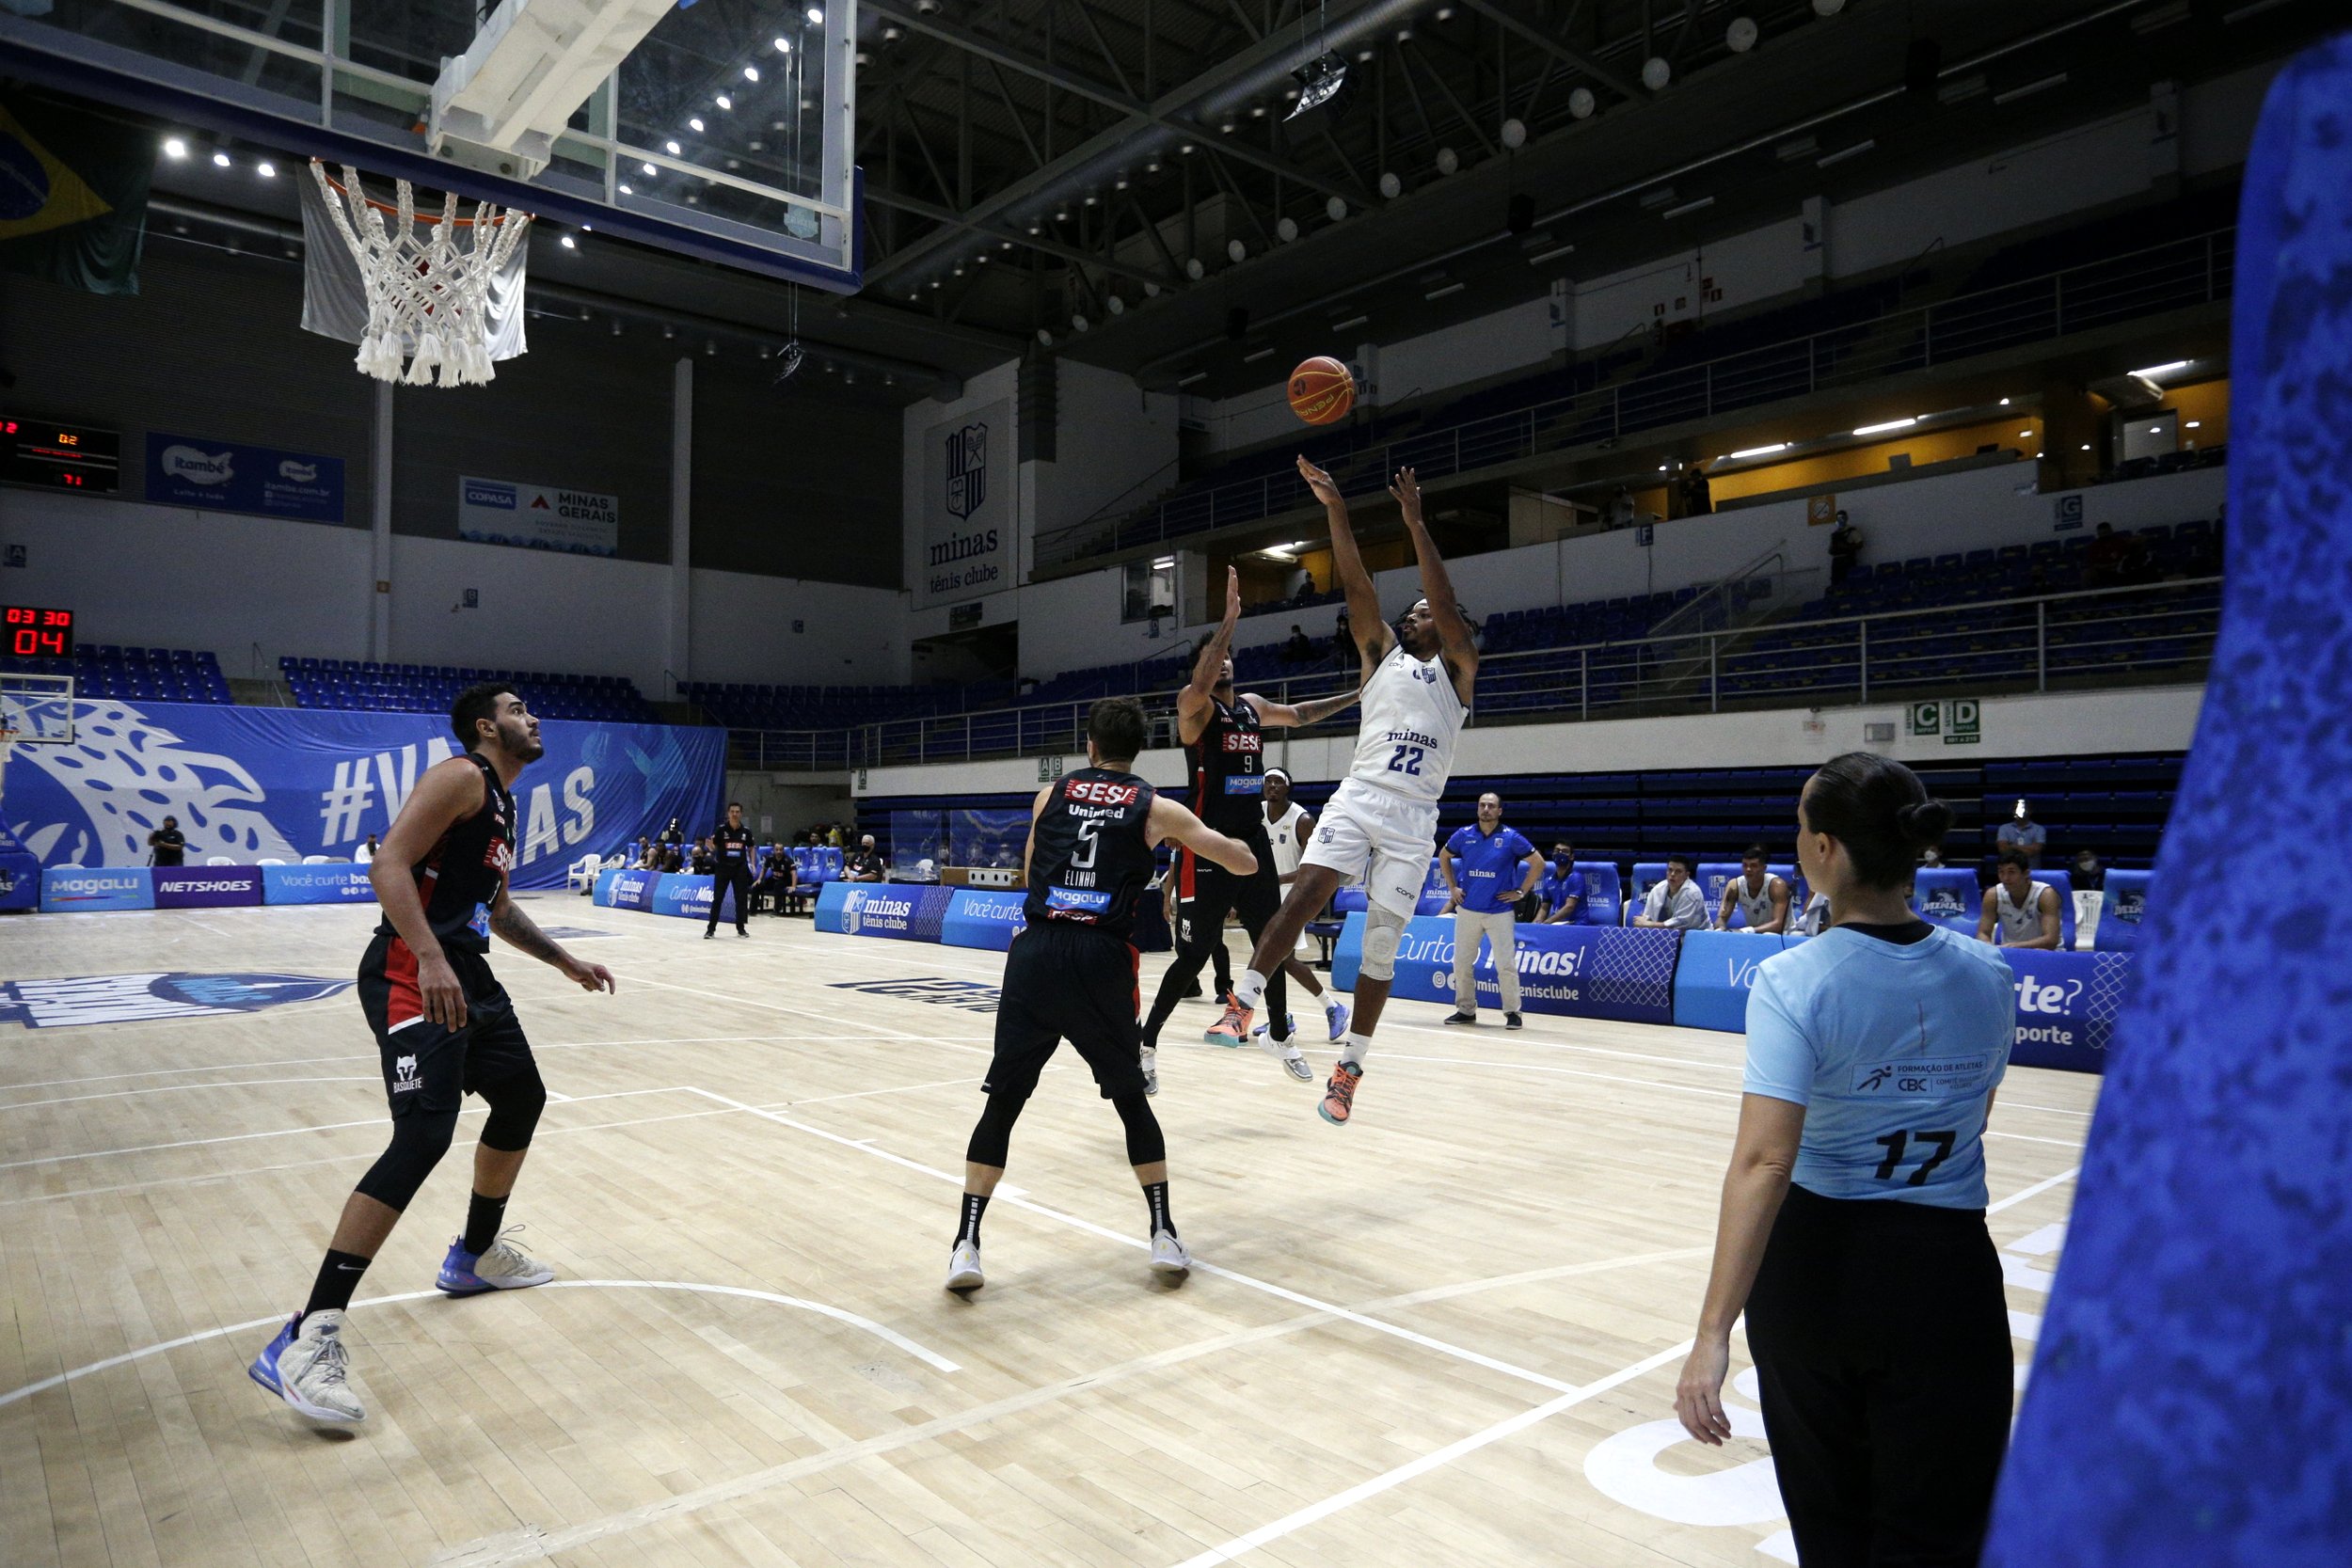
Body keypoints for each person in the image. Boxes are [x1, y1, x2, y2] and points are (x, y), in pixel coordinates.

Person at [1676, 752, 2014, 1567]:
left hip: (1817, 1274)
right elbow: (1973, 1120)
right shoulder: (1992, 972)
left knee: (1832, 1523)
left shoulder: (1794, 979)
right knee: (1940, 1528)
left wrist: (1711, 1332)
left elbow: (1764, 1162)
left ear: (1826, 849)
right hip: (1949, 1273)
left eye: (1801, 824)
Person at [247, 684, 615, 1425]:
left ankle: (474, 1255)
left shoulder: (502, 806)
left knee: (520, 1097)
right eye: (517, 710)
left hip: (464, 969)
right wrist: (428, 955)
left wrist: (564, 961)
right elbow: (389, 864)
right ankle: (305, 1334)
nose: (532, 717)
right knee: (422, 1134)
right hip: (411, 969)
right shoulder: (461, 776)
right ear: (487, 726)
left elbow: (499, 908)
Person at [946, 697, 1255, 1293]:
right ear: (1139, 749)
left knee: (1003, 1105)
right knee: (1131, 1102)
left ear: (1089, 746)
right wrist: (1235, 838)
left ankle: (967, 1245)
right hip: (1100, 959)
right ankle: (1163, 1233)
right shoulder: (1156, 808)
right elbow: (1237, 862)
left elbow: (1032, 866)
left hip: (1037, 953)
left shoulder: (1051, 794)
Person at [1216, 460, 1477, 1129]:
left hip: (1415, 817)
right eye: (1413, 611)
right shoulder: (1381, 654)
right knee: (1303, 894)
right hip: (1360, 794)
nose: (1417, 615)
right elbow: (1356, 580)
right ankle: (1243, 1001)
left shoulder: (1458, 670)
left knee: (1383, 944)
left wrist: (1415, 521)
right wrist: (1335, 506)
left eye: (1425, 613)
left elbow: (1445, 605)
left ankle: (1349, 1068)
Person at [1144, 566, 1362, 1092]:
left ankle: (1282, 1032)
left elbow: (1303, 713)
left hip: (1254, 842)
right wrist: (1229, 621)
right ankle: (1145, 1043)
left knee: (1277, 938)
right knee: (1194, 955)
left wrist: (1356, 696)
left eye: (1227, 655)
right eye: (1216, 656)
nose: (1225, 661)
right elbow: (1199, 680)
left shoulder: (1252, 708)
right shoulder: (1194, 709)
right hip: (1208, 846)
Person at [1251, 768, 1350, 1046]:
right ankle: (1281, 1017)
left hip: (1292, 896)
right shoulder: (1256, 813)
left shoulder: (1302, 819)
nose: (1272, 786)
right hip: (1264, 895)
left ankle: (1334, 1007)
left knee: (1284, 959)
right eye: (1268, 782)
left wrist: (1276, 879)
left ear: (1287, 788)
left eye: (1278, 782)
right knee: (1273, 958)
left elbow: (1312, 867)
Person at [1438, 791, 1545, 1028]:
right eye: (1482, 805)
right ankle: (1465, 1010)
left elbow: (1538, 863)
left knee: (1505, 963)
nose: (1486, 809)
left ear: (1499, 811)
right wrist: (1452, 887)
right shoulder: (1464, 835)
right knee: (1462, 962)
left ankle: (1513, 1012)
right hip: (1468, 910)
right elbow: (1443, 856)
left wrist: (1521, 892)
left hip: (1499, 911)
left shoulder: (1511, 837)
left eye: (1491, 806)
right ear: (1477, 809)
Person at [1977, 849, 2062, 951]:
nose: (2005, 878)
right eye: (2001, 872)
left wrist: (2016, 946)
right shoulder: (1992, 895)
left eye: (2011, 872)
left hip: (2046, 954)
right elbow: (1983, 933)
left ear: (2026, 873)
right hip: (2011, 952)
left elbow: (2051, 940)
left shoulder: (2046, 894)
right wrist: (1987, 945)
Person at [705, 801, 756, 939]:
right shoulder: (721, 830)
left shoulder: (746, 832)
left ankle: (741, 929)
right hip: (723, 867)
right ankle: (710, 930)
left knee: (741, 899)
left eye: (737, 812)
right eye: (732, 811)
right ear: (728, 814)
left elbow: (751, 848)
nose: (734, 814)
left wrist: (753, 864)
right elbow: (714, 848)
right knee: (718, 899)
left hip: (740, 868)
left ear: (741, 814)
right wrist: (710, 847)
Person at [1714, 846, 1792, 933]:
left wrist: (1746, 930)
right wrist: (1720, 929)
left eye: (1753, 866)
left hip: (1784, 935)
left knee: (1768, 934)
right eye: (1745, 865)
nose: (1748, 869)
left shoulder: (1777, 886)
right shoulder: (1734, 886)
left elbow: (1778, 925)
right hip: (1753, 935)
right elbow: (1721, 918)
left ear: (1764, 868)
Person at [1633, 854, 1708, 929]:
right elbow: (1647, 918)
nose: (1672, 874)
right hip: (1667, 935)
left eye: (1678, 871)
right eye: (1670, 870)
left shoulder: (1692, 893)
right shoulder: (1658, 889)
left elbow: (1680, 924)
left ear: (1686, 875)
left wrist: (1649, 924)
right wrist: (1643, 922)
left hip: (1697, 934)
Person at [1539, 842, 1586, 925]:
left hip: (1576, 924)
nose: (1560, 853)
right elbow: (1544, 909)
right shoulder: (1548, 881)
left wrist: (1547, 922)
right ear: (1553, 854)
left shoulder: (1576, 878)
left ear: (1571, 856)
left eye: (1564, 851)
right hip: (1557, 924)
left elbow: (1569, 907)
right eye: (1557, 851)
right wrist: (1535, 925)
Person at [1994, 799, 2047, 867]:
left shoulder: (2039, 829)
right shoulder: (2003, 828)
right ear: (2013, 811)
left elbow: (2034, 850)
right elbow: (2003, 849)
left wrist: (2012, 846)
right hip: (2010, 872)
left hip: (2032, 871)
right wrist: (2028, 848)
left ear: (2030, 811)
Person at [753, 844, 801, 916]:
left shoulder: (788, 860)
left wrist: (793, 886)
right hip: (774, 879)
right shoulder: (770, 858)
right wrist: (759, 879)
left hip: (785, 881)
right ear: (774, 850)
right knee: (757, 885)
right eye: (777, 850)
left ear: (783, 851)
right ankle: (753, 910)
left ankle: (777, 910)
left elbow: (794, 874)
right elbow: (764, 869)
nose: (779, 852)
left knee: (777, 885)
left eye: (780, 850)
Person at [1828, 512, 1863, 589]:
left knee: (1849, 582)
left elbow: (1860, 544)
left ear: (1846, 519)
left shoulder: (1852, 531)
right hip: (1836, 561)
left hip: (1847, 560)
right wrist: (1833, 549)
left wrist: (1846, 547)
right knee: (1835, 584)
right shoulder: (1835, 534)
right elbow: (1830, 550)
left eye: (1842, 518)